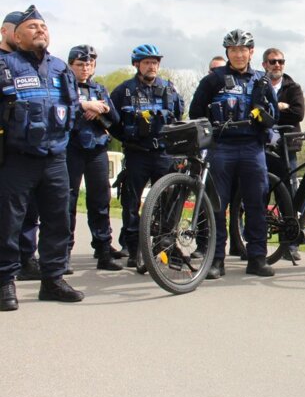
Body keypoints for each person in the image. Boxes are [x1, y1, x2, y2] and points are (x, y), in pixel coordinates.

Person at [0, 5, 84, 311]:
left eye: (43, 26)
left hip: (55, 158)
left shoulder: (61, 68)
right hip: (16, 158)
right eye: (32, 26)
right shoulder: (5, 65)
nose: (40, 30)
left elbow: (73, 108)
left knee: (58, 220)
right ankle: (5, 282)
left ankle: (53, 280)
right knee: (9, 223)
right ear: (15, 35)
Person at [189, 29, 278, 279]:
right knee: (218, 206)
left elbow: (275, 116)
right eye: (234, 50)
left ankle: (257, 258)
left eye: (243, 49)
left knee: (256, 204)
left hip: (253, 148)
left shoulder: (262, 79)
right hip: (221, 149)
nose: (239, 54)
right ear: (227, 52)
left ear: (251, 52)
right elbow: (196, 112)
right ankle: (216, 260)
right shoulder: (214, 79)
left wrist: (265, 118)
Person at [110, 44, 184, 269]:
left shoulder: (169, 89)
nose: (151, 67)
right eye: (146, 63)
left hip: (163, 154)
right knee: (131, 204)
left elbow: (179, 116)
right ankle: (134, 251)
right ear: (137, 65)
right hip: (137, 155)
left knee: (166, 203)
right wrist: (126, 138)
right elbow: (112, 121)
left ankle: (164, 247)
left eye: (154, 63)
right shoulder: (124, 91)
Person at [66, 45, 122, 271]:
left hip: (97, 149)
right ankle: (63, 253)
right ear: (71, 66)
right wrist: (84, 106)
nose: (85, 68)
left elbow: (116, 119)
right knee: (66, 203)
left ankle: (103, 250)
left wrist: (101, 110)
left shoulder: (99, 89)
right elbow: (59, 108)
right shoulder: (64, 87)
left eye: (89, 64)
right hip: (71, 148)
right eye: (80, 64)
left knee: (100, 202)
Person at [0, 11, 41, 281]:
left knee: (27, 209)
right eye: (22, 28)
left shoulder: (32, 64)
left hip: (24, 149)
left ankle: (26, 259)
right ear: (7, 31)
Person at [262, 47, 305, 262]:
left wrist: (274, 110)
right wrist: (279, 108)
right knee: (260, 193)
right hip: (263, 147)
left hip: (287, 149)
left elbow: (298, 113)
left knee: (288, 195)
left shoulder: (293, 87)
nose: (277, 65)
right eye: (272, 62)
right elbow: (257, 112)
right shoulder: (259, 86)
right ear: (264, 65)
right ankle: (257, 244)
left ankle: (290, 244)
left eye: (280, 61)